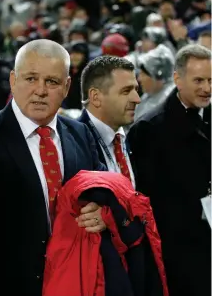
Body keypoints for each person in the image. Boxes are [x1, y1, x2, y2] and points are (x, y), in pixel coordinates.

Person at [0, 39, 107, 296]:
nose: (40, 90)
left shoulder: (81, 134)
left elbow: (102, 197)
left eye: (51, 81)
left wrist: (101, 214)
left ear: (66, 87)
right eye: (31, 79)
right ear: (13, 80)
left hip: (73, 284)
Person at [128, 44, 211, 296]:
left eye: (211, 80)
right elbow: (144, 199)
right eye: (198, 80)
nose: (207, 88)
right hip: (177, 255)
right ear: (177, 78)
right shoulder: (149, 129)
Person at [78, 56, 140, 188]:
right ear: (96, 97)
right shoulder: (73, 143)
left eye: (136, 90)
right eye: (126, 91)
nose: (137, 99)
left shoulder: (128, 137)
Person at [135, 44, 175, 121]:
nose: (139, 79)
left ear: (158, 75)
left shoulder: (168, 103)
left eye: (143, 74)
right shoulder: (151, 94)